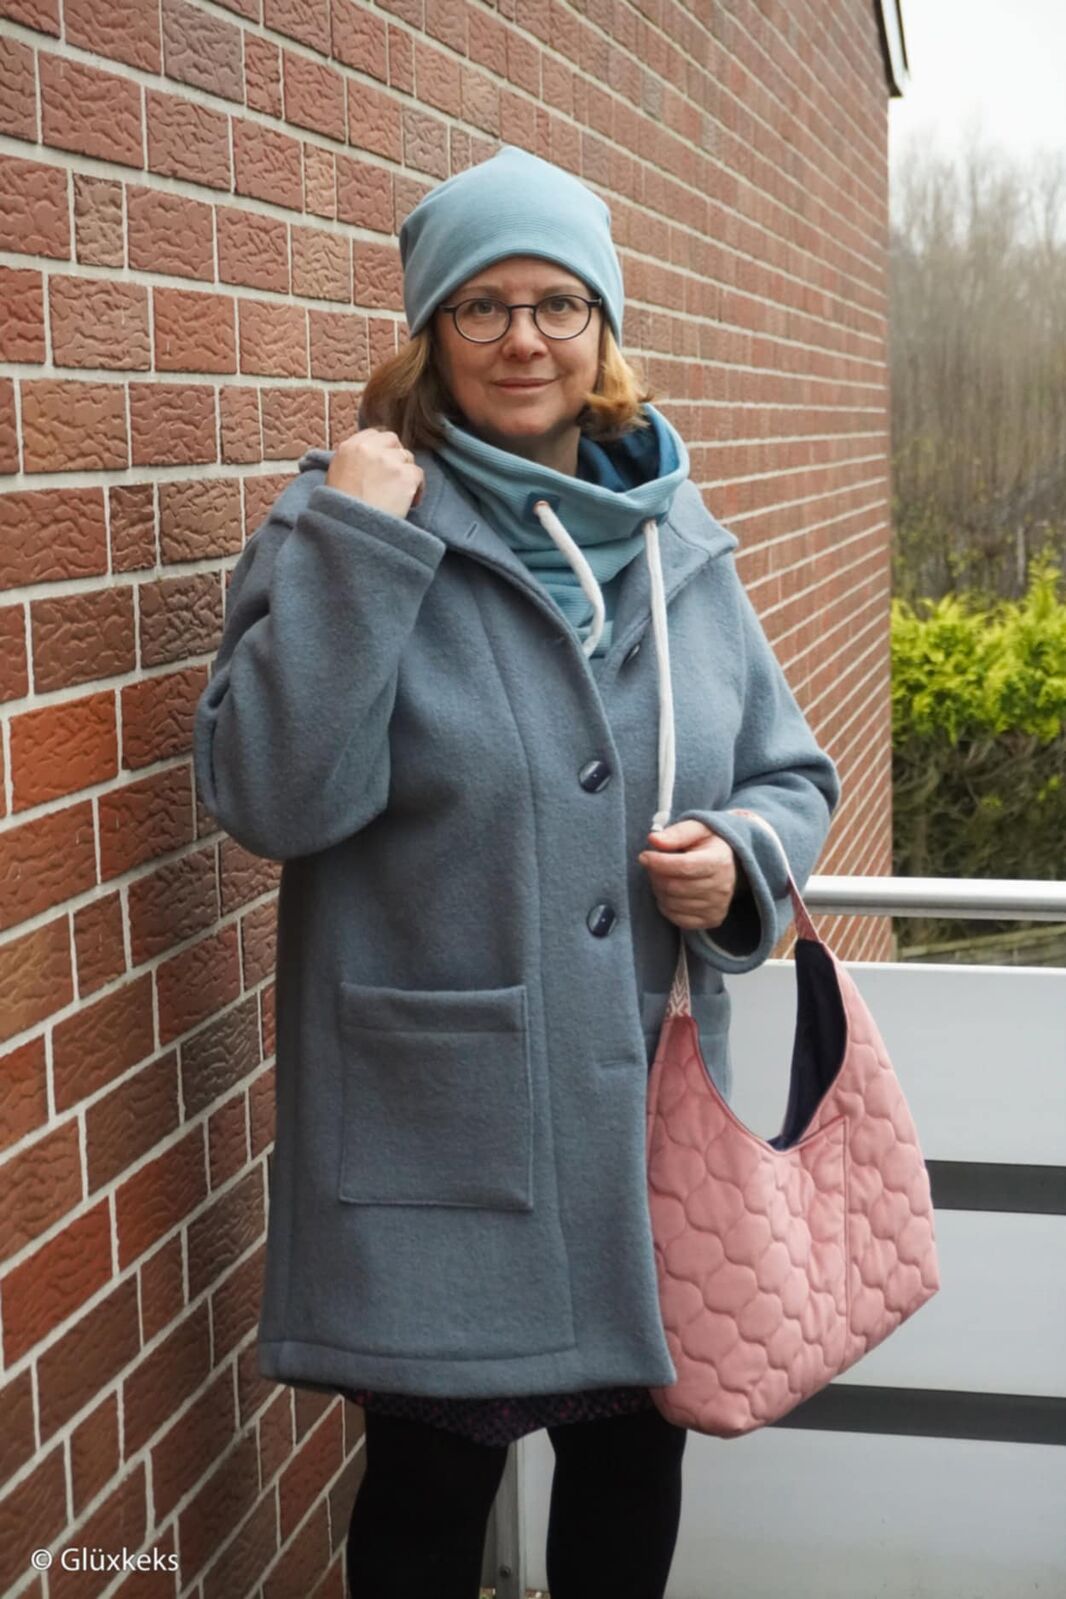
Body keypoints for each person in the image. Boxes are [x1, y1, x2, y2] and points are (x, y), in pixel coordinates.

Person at [193, 145, 840, 1598]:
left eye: (559, 303)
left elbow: (791, 775)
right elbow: (272, 799)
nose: (524, 339)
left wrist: (738, 862)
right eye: (481, 307)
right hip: (441, 1130)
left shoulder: (678, 538)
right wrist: (359, 541)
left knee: (631, 1478)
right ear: (430, 334)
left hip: (641, 1120)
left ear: (603, 329)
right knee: (429, 1493)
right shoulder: (336, 525)